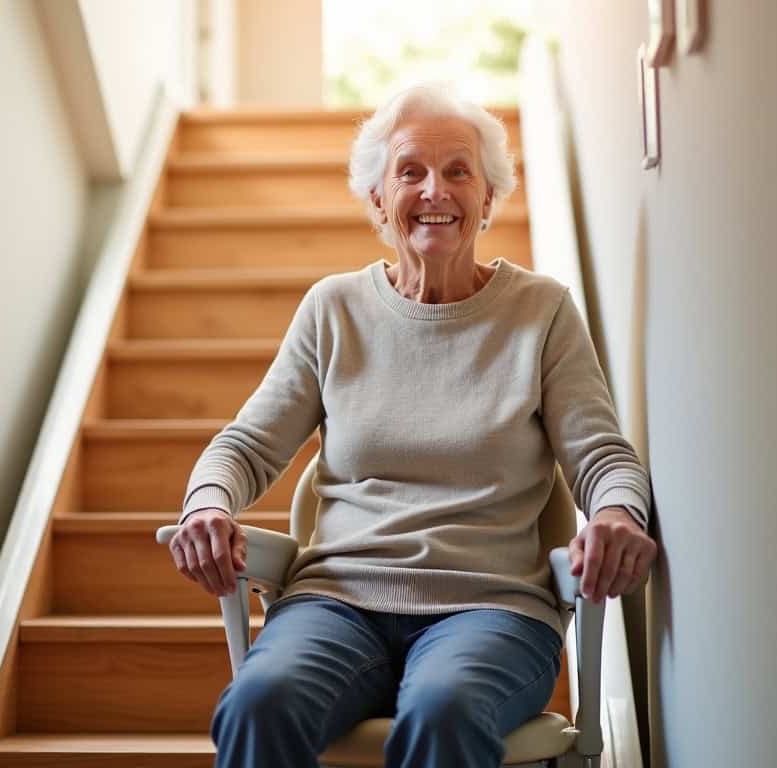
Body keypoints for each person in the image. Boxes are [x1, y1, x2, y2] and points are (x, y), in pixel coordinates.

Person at [167, 81, 658, 768]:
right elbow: (244, 447)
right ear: (377, 198)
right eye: (410, 171)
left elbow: (602, 456)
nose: (435, 190)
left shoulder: (540, 313)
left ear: (488, 198)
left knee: (444, 711)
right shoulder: (332, 310)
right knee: (260, 701)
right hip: (335, 602)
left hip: (490, 609)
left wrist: (615, 515)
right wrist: (207, 505)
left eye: (458, 171)